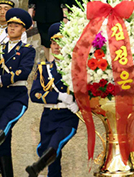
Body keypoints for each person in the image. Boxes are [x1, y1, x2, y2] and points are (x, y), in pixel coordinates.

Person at [26, 23, 79, 177]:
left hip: (67, 116)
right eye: (54, 43)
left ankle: (37, 167)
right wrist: (58, 96)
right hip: (48, 117)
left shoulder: (76, 69)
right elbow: (34, 94)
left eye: (61, 43)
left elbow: (86, 92)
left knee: (55, 144)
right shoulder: (43, 69)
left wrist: (77, 104)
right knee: (47, 151)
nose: (56, 47)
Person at [0, 9, 36, 176]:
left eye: (16, 26)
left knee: (1, 130)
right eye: (10, 25)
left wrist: (1, 80)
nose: (12, 28)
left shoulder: (28, 50)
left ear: (23, 29)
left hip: (16, 98)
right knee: (3, 143)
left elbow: (24, 71)